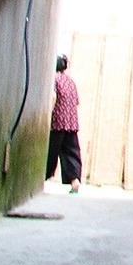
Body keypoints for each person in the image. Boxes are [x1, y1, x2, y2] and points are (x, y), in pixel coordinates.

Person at [46, 54, 82, 193]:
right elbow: (77, 102)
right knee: (71, 152)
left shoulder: (53, 79)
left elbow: (53, 98)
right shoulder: (70, 81)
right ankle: (75, 181)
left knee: (50, 152)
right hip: (72, 122)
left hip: (57, 122)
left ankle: (41, 179)